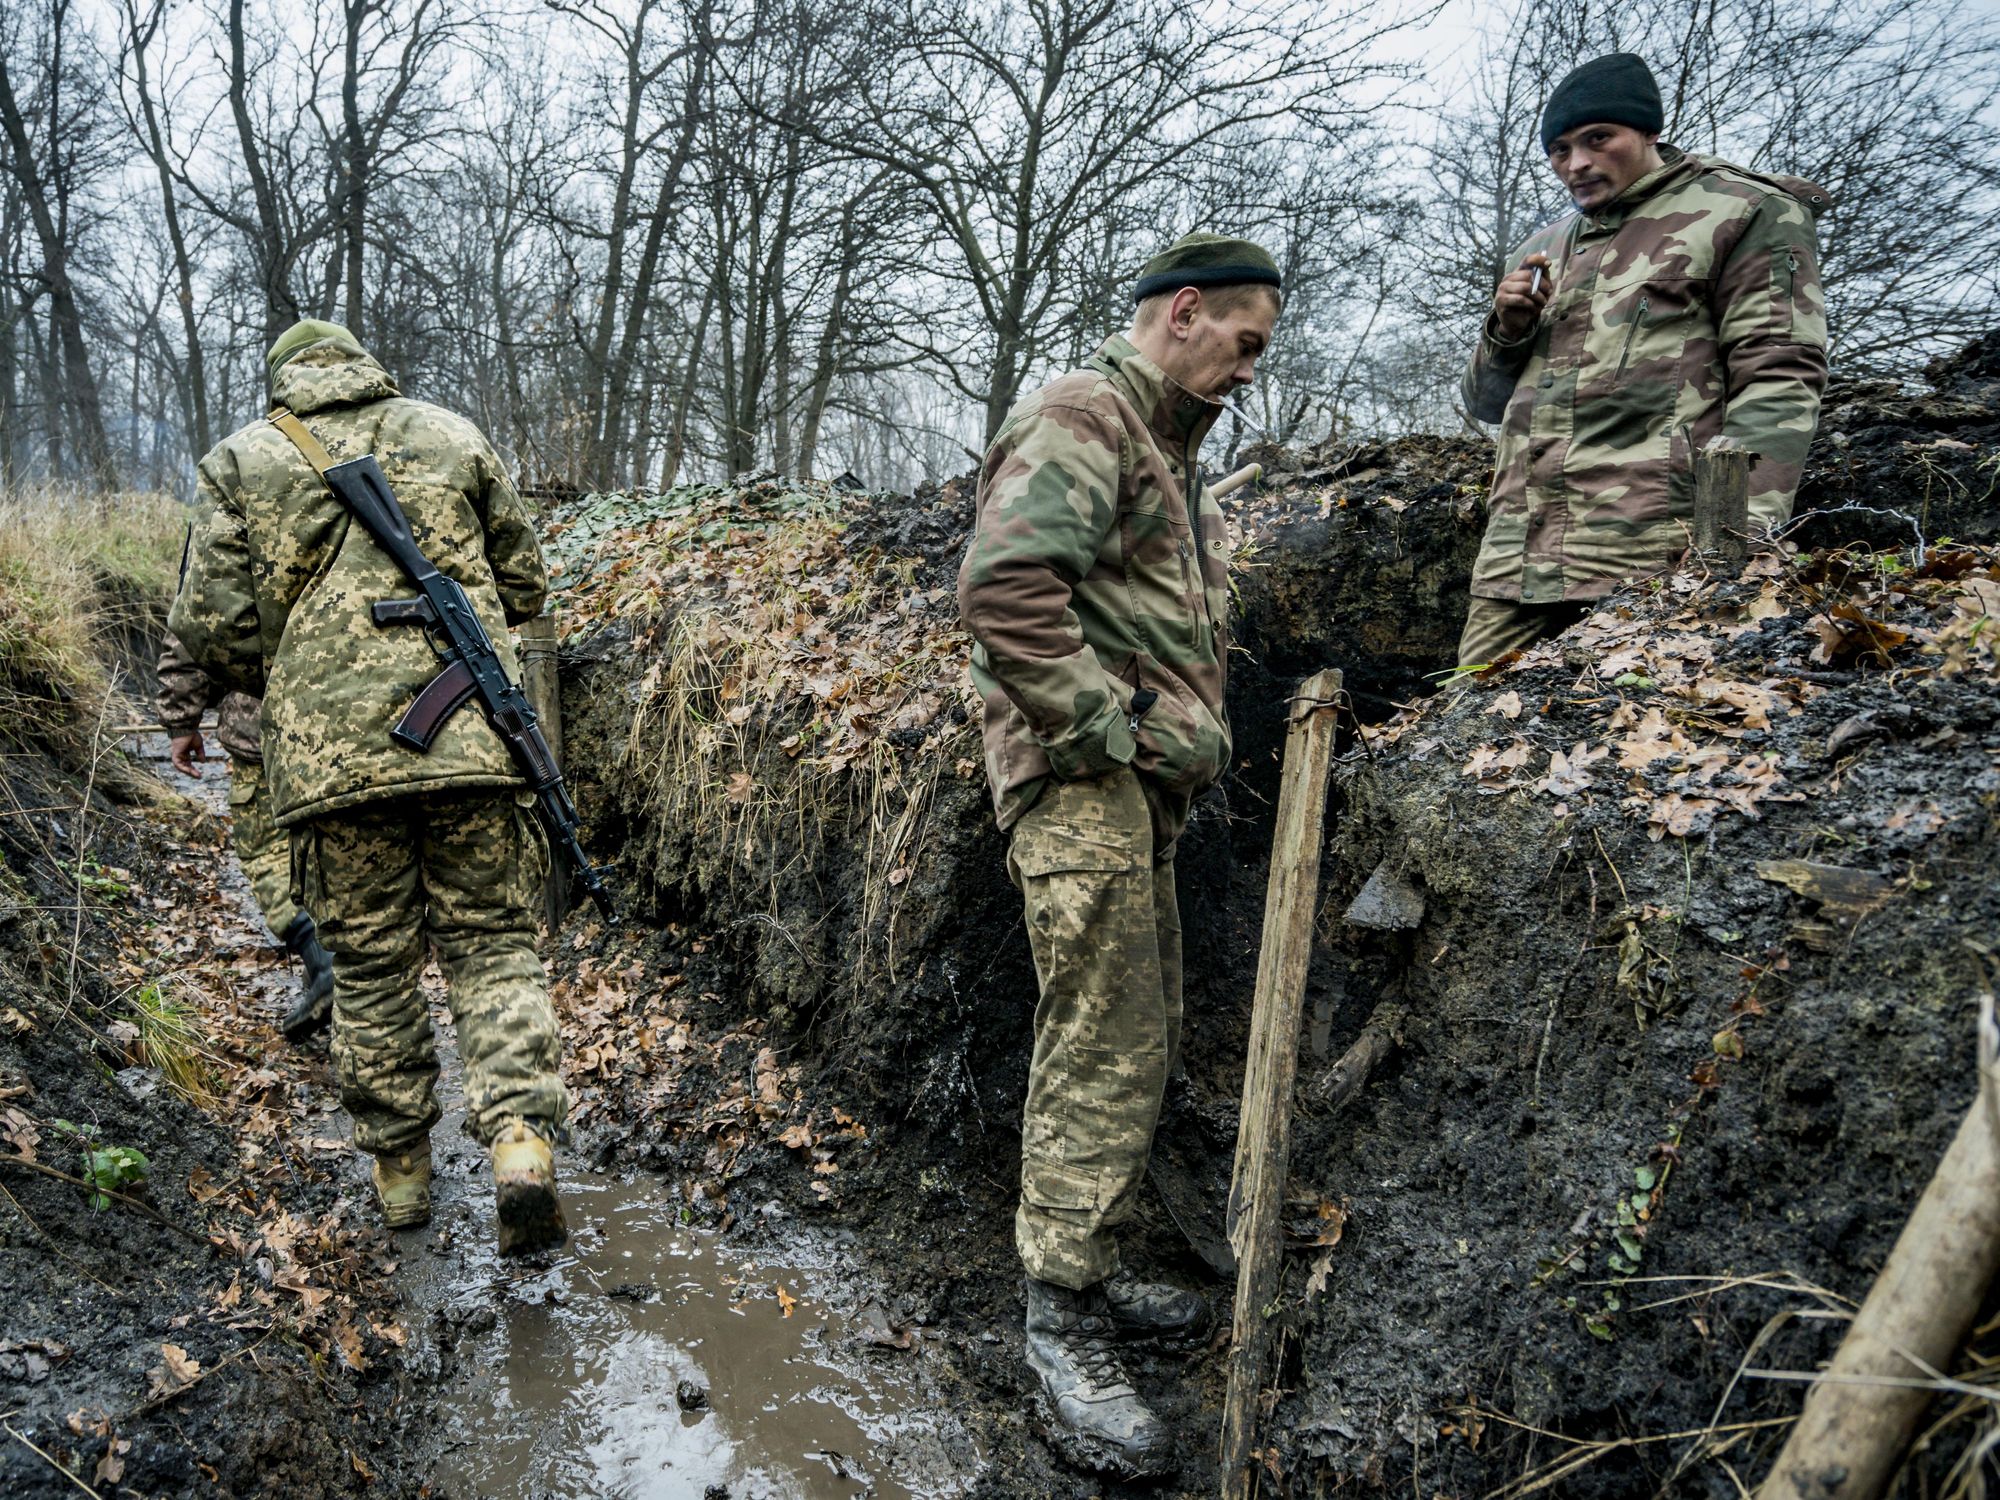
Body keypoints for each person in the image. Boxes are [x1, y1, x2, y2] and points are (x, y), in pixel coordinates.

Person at [958, 232, 1281, 1476]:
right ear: (1184, 312)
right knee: (1103, 1034)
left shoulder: (1159, 443)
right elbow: (1004, 588)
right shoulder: (1085, 412)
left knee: (1138, 1025)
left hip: (1129, 789)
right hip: (1080, 780)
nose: (1250, 370)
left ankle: (1088, 1268)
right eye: (1243, 344)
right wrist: (1110, 729)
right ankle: (1058, 1317)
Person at [169, 319, 568, 1255]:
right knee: (494, 946)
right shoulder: (451, 432)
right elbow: (524, 581)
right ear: (363, 366)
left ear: (284, 380)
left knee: (371, 967)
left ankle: (402, 1179)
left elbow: (211, 624)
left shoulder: (239, 460)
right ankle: (519, 1149)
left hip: (330, 767)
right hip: (472, 741)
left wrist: (304, 679)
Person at [1458, 51, 1830, 666]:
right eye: (1559, 150)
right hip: (1517, 563)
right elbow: (1486, 404)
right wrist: (1508, 328)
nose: (1577, 164)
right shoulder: (1543, 248)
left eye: (1598, 139)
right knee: (1457, 733)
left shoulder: (1742, 210)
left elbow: (1779, 376)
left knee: (1637, 751)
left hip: (1656, 554)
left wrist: (1738, 543)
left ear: (1649, 130)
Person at [156, 631, 334, 1041]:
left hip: (267, 723)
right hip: (375, 724)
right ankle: (354, 991)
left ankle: (325, 965)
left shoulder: (240, 560)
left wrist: (181, 718)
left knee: (269, 851)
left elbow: (199, 622)